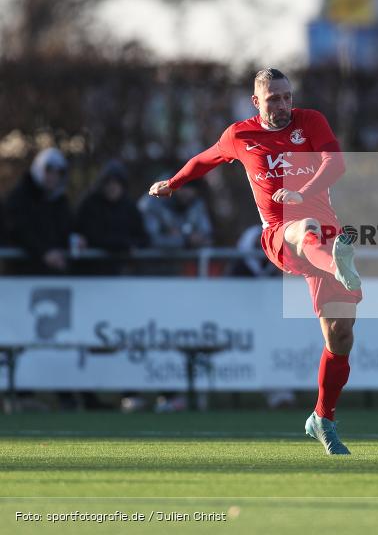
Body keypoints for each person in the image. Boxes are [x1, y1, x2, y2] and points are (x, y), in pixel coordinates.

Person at [147, 68, 362, 455]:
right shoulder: (239, 135)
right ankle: (337, 264)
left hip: (327, 233)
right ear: (255, 102)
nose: (282, 105)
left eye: (286, 96)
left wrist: (304, 191)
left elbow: (336, 163)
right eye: (273, 98)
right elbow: (205, 160)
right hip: (280, 233)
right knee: (303, 228)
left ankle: (322, 418)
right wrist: (173, 183)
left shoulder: (310, 121)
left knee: (340, 336)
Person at [4, 147, 75, 274]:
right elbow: (17, 229)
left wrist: (73, 240)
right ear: (39, 169)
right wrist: (43, 253)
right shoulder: (19, 197)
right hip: (21, 276)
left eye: (58, 173)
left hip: (53, 274)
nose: (53, 177)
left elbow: (66, 228)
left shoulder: (60, 200)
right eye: (49, 171)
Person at [74, 159, 149, 273]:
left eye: (117, 183)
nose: (112, 187)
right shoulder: (89, 204)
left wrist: (132, 245)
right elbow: (91, 236)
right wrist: (124, 245)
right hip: (91, 272)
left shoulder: (129, 207)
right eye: (108, 183)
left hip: (122, 273)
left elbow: (144, 238)